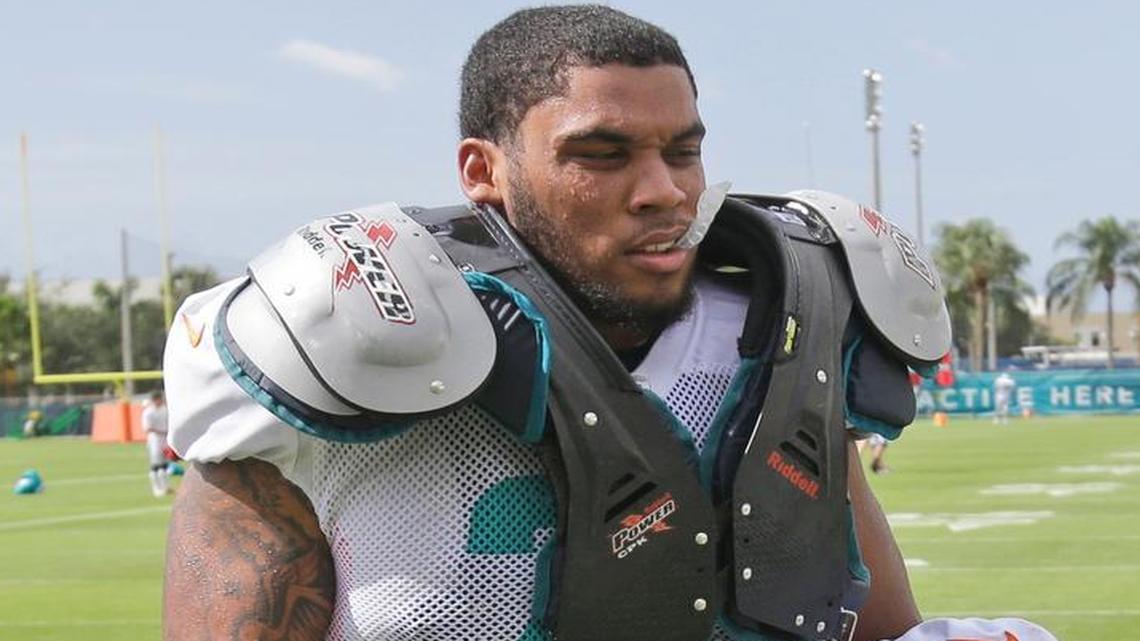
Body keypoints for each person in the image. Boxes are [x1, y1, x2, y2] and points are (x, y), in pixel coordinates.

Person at [162, 6, 1058, 641]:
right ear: (483, 170)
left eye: (684, 150)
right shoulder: (341, 349)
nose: (663, 191)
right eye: (602, 154)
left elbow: (876, 628)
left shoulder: (786, 340)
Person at [141, 389, 170, 497]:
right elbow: (147, 428)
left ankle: (165, 486)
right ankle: (156, 488)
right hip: (155, 439)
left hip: (165, 439)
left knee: (165, 464)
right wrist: (162, 431)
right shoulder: (148, 412)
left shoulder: (165, 410)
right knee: (156, 465)